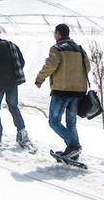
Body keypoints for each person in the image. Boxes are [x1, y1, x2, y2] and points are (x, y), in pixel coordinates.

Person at [34, 23, 91, 160]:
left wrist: (40, 79)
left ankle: (74, 146)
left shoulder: (57, 48)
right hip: (78, 92)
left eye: (55, 33)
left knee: (53, 121)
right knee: (71, 122)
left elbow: (51, 65)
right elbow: (87, 67)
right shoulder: (79, 49)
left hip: (62, 91)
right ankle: (73, 153)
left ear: (58, 34)